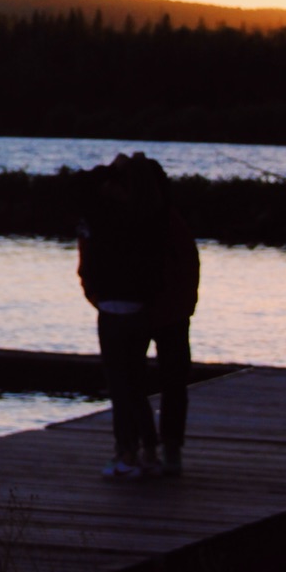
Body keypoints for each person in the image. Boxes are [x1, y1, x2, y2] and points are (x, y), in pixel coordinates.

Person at [76, 152, 200, 480]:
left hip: (164, 311)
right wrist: (98, 295)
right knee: (137, 382)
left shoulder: (160, 221)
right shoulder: (133, 218)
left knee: (154, 381)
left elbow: (186, 269)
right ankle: (146, 448)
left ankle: (157, 448)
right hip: (141, 308)